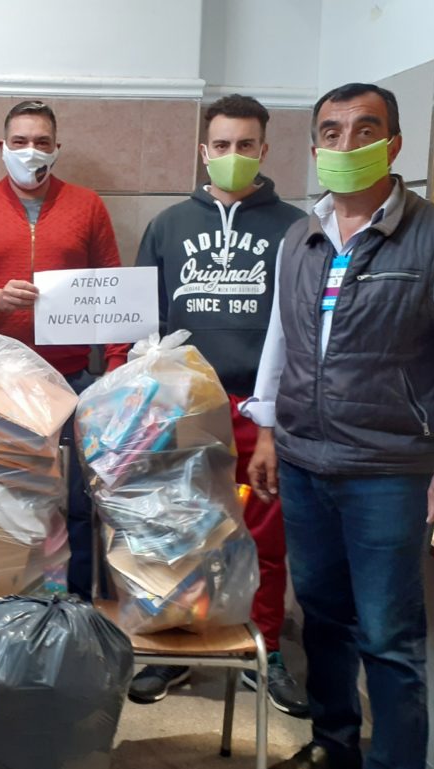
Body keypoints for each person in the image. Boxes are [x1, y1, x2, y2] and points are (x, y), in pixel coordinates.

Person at [244, 83, 434, 769]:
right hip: (305, 460)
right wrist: (267, 428)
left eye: (365, 130)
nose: (346, 144)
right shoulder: (302, 236)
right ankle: (334, 744)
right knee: (322, 616)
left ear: (394, 144)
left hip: (389, 469)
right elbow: (281, 337)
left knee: (389, 635)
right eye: (331, 132)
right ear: (315, 146)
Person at [127, 95, 308, 716]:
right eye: (223, 145)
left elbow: (302, 326)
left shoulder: (296, 228)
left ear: (264, 149)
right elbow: (143, 323)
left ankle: (266, 649)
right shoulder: (168, 225)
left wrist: (278, 413)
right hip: (185, 404)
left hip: (262, 408)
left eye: (246, 145)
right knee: (176, 530)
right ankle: (174, 646)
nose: (234, 155)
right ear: (204, 151)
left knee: (264, 538)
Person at [0, 100, 127, 599]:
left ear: (56, 148)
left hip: (72, 381)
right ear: (2, 147)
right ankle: (1, 601)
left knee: (78, 501)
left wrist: (116, 369)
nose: (30, 151)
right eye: (19, 141)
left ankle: (74, 606)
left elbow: (112, 290)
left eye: (41, 142)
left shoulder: (87, 205)